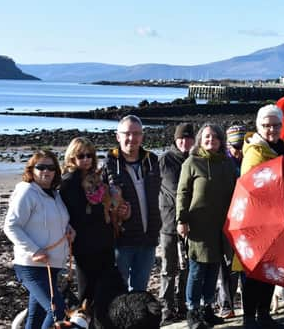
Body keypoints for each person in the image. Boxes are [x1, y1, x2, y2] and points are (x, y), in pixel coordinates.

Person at [4, 150, 75, 329]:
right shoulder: (27, 191)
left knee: (37, 316)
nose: (46, 171)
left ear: (56, 171)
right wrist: (34, 250)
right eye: (41, 167)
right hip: (31, 266)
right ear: (31, 169)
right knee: (57, 311)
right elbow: (10, 226)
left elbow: (57, 221)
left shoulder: (55, 194)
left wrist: (68, 229)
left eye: (51, 167)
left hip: (51, 266)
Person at [176, 124, 237, 329]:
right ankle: (192, 312)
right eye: (207, 137)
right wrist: (181, 220)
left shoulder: (227, 164)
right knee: (197, 269)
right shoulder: (192, 163)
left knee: (214, 268)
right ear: (200, 139)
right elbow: (182, 193)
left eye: (215, 137)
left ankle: (207, 308)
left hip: (221, 225)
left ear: (221, 141)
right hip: (198, 226)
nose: (211, 140)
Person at [241, 104, 284, 329]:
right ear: (258, 126)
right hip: (256, 221)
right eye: (266, 125)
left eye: (275, 125)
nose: (271, 129)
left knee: (272, 269)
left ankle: (264, 314)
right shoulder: (255, 152)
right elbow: (251, 186)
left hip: (279, 220)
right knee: (254, 271)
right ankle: (249, 318)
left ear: (282, 126)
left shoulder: (283, 148)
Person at [60, 137, 126, 309]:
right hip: (85, 243)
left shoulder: (95, 177)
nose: (86, 159)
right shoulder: (69, 181)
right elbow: (75, 214)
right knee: (87, 290)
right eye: (81, 156)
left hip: (104, 240)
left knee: (105, 287)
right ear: (72, 157)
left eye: (90, 155)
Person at [102, 114, 161, 292]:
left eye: (136, 133)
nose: (131, 138)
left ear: (142, 136)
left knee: (140, 292)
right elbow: (100, 202)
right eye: (127, 133)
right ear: (118, 136)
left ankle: (137, 322)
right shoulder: (109, 164)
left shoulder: (152, 161)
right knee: (117, 291)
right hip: (121, 241)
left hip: (148, 239)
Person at [158, 123, 195, 324]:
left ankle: (183, 305)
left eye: (189, 138)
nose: (185, 142)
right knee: (168, 268)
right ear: (175, 139)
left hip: (192, 224)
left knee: (187, 268)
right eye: (182, 138)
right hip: (168, 223)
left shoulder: (196, 159)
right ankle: (166, 308)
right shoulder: (164, 160)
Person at [215, 124, 247, 319]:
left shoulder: (249, 158)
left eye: (241, 145)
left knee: (245, 262)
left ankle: (246, 302)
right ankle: (226, 304)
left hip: (247, 217)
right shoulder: (223, 161)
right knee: (226, 265)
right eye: (235, 146)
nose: (238, 149)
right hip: (227, 217)